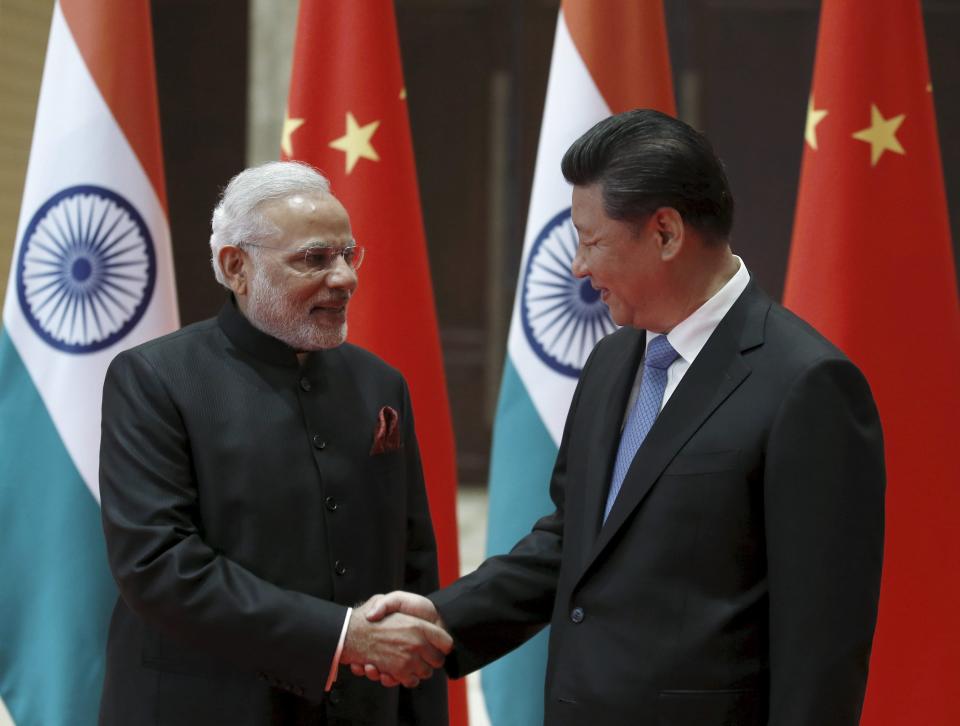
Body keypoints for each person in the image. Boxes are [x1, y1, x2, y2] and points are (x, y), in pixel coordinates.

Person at [361, 109, 885, 725]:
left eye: (591, 240)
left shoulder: (807, 385)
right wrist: (445, 617)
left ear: (665, 233)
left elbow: (820, 648)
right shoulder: (613, 359)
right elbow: (573, 542)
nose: (579, 268)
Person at [97, 161, 451, 726]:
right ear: (235, 267)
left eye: (347, 254)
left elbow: (412, 561)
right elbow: (158, 564)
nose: (344, 278)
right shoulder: (155, 379)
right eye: (315, 258)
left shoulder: (380, 383)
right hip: (206, 706)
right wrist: (339, 637)